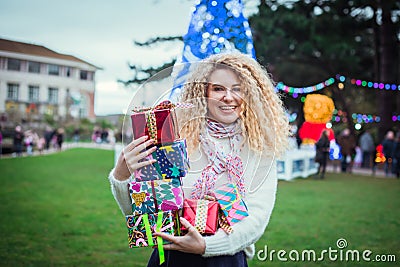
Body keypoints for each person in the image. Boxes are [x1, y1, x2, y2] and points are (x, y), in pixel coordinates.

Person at [108, 53, 290, 267]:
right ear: (204, 92)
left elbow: (256, 218)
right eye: (218, 89)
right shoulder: (176, 138)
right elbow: (146, 214)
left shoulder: (260, 148)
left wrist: (206, 246)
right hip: (171, 256)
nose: (228, 97)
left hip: (225, 258)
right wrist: (121, 176)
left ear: (249, 94)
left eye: (237, 89)